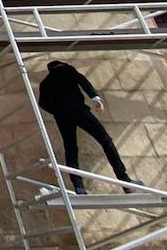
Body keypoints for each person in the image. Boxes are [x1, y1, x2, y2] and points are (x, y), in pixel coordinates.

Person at [37, 60, 136, 195]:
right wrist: (95, 98)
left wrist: (57, 110)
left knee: (71, 148)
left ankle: (79, 186)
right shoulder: (68, 70)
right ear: (62, 65)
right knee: (105, 140)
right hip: (79, 111)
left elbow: (42, 103)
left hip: (62, 117)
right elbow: (83, 81)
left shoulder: (45, 83)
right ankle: (124, 180)